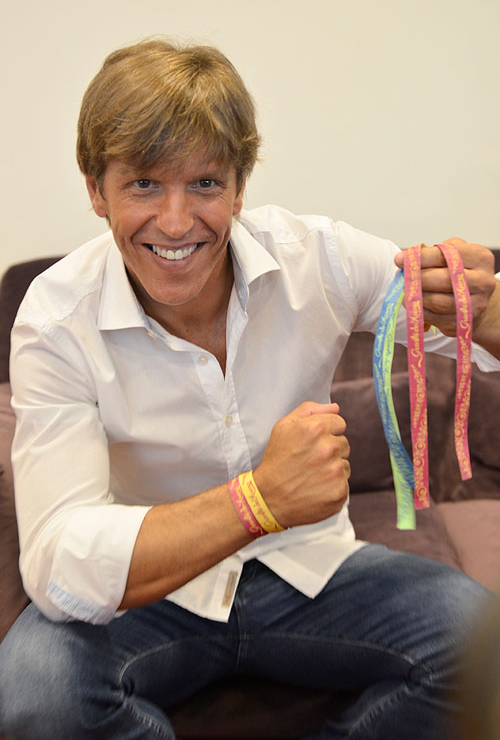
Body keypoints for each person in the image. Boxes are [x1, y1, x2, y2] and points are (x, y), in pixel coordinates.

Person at [0, 37, 499, 740]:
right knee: (34, 691)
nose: (177, 222)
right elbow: (58, 562)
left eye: (205, 183)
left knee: (485, 651)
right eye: (143, 184)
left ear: (239, 187)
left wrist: (485, 306)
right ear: (96, 191)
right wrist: (257, 500)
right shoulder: (55, 319)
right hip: (150, 592)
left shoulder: (318, 258)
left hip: (309, 571)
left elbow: (462, 326)